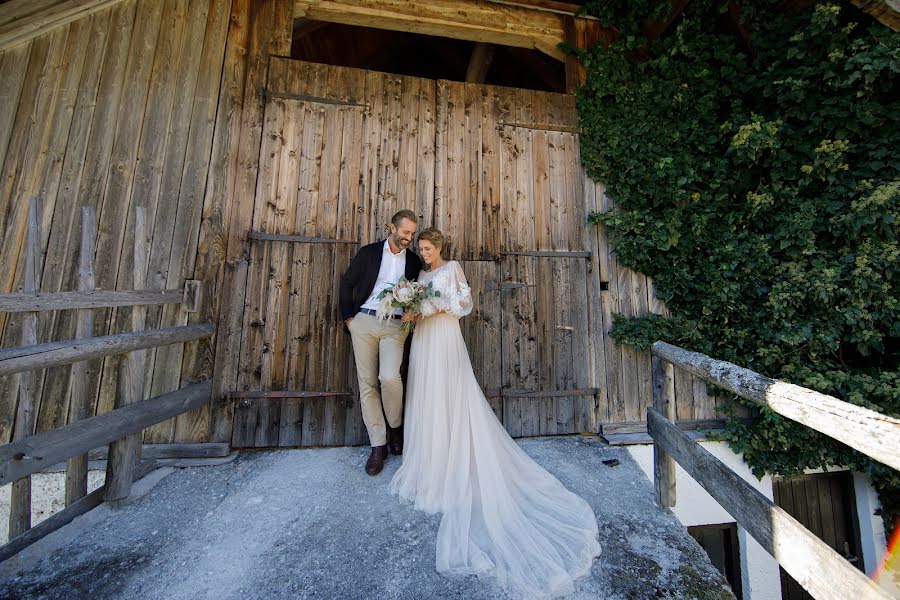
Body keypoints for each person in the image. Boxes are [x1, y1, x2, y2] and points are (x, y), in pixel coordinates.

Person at [390, 228, 601, 598]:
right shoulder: (420, 276)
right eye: (420, 249)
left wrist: (436, 306)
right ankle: (430, 459)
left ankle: (454, 456)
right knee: (425, 394)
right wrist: (415, 311)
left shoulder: (451, 268)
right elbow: (416, 311)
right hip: (424, 341)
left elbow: (463, 306)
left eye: (427, 248)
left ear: (439, 247)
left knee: (451, 395)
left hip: (445, 339)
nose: (423, 254)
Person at [339, 210, 423, 476]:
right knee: (367, 385)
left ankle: (395, 427)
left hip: (395, 326)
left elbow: (418, 295)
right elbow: (347, 283)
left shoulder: (413, 261)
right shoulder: (369, 253)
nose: (409, 237)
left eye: (412, 233)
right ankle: (378, 445)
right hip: (364, 321)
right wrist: (349, 319)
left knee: (389, 378)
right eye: (405, 232)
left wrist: (413, 313)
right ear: (392, 228)